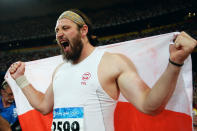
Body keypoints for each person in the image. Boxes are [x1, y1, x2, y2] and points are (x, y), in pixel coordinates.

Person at [9, 9, 197, 131]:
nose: (59, 34)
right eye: (57, 30)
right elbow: (43, 106)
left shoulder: (111, 63)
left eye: (65, 28)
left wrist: (174, 63)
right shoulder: (60, 70)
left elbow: (149, 105)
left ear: (83, 31)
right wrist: (20, 79)